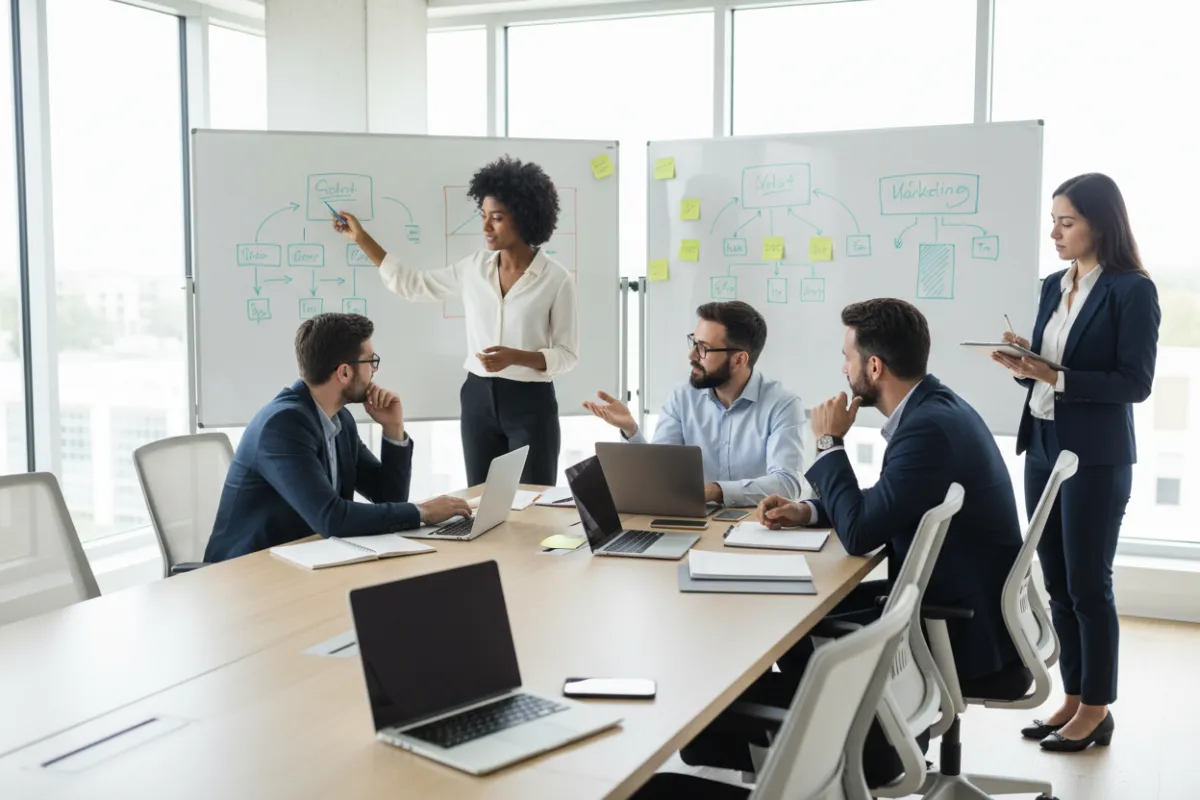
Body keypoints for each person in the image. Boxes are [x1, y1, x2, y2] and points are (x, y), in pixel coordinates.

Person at [679, 299, 1028, 785]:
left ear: (874, 366)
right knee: (805, 624)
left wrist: (828, 444)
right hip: (956, 612)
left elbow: (863, 532)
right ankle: (852, 754)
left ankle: (853, 752)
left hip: (962, 632)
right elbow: (886, 503)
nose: (842, 368)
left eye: (847, 356)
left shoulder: (926, 430)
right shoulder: (935, 407)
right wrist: (809, 511)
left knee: (800, 625)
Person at [991, 173, 1159, 752]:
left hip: (1096, 456)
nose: (1055, 232)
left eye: (1067, 221)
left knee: (1090, 583)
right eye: (1054, 220)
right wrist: (1025, 361)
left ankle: (1097, 707)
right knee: (1057, 582)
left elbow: (1135, 383)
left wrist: (1056, 375)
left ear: (1099, 224)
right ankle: (1071, 694)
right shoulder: (1050, 285)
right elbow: (1048, 368)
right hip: (1041, 443)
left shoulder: (1131, 290)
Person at [331, 157, 576, 487]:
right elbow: (413, 284)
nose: (486, 226)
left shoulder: (555, 279)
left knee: (532, 502)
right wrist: (362, 239)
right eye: (484, 216)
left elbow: (567, 353)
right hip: (477, 398)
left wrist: (516, 357)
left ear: (525, 218)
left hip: (530, 404)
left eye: (498, 218)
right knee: (481, 500)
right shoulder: (475, 268)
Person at [204, 314, 471, 562]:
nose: (374, 371)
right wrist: (423, 512)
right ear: (344, 372)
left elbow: (388, 496)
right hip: (248, 571)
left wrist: (393, 428)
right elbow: (331, 518)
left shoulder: (340, 419)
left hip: (307, 558)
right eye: (371, 361)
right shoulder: (283, 425)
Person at [584, 301, 804, 508]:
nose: (691, 355)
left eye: (703, 348)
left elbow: (786, 485)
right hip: (695, 521)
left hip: (756, 524)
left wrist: (715, 491)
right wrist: (631, 430)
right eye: (693, 342)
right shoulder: (682, 397)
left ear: (739, 360)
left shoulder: (782, 404)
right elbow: (660, 472)